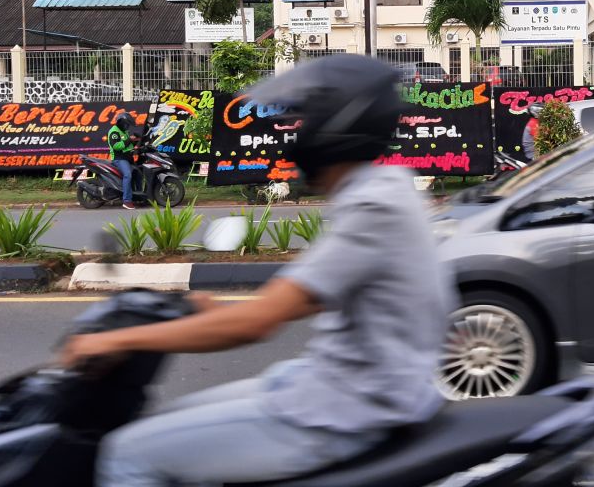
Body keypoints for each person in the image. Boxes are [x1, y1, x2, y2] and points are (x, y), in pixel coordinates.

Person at [62, 55, 456, 487]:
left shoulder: (373, 209)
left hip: (346, 409)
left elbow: (257, 323)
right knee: (176, 418)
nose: (296, 133)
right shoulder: (385, 191)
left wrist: (115, 339)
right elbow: (303, 294)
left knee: (126, 454)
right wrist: (209, 312)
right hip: (341, 386)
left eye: (306, 120)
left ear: (335, 126)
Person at [107, 112, 136, 210]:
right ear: (122, 123)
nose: (127, 127)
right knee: (128, 174)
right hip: (119, 159)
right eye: (126, 124)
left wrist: (135, 142)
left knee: (139, 173)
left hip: (127, 158)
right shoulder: (114, 132)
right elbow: (116, 146)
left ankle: (137, 197)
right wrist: (129, 140)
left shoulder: (124, 131)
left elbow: (128, 146)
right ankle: (127, 201)